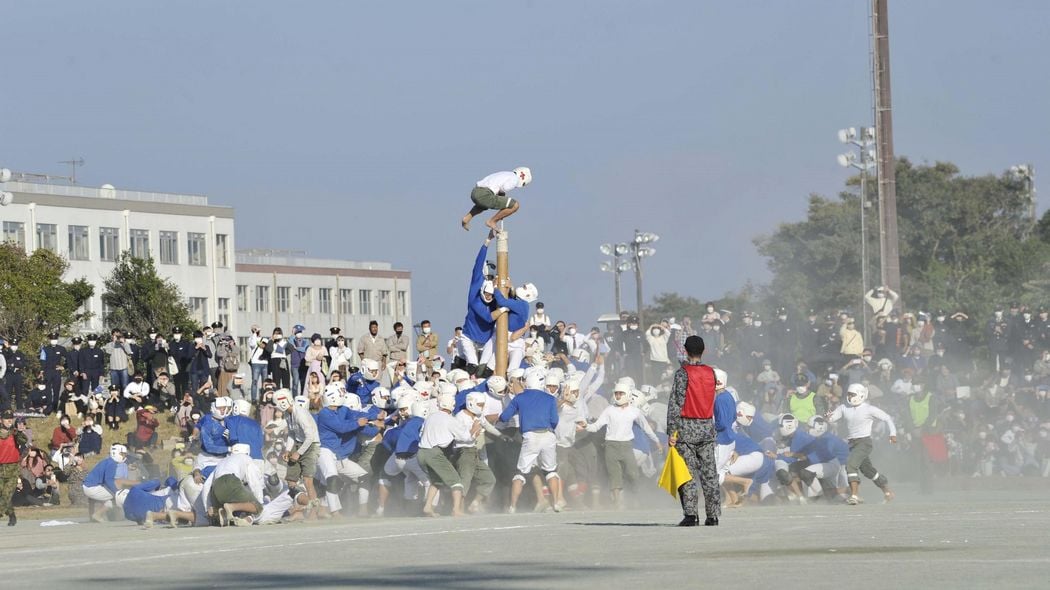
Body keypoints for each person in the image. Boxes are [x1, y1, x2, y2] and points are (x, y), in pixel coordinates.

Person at [666, 335, 721, 527]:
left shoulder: (683, 373)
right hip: (706, 426)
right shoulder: (711, 373)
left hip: (687, 428)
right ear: (703, 351)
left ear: (685, 351)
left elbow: (676, 403)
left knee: (687, 473)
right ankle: (713, 516)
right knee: (710, 473)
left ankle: (691, 515)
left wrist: (671, 432)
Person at [581, 380, 660, 509]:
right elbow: (596, 426)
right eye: (616, 393)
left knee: (632, 474)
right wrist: (586, 426)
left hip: (627, 446)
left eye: (621, 393)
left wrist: (656, 441)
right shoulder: (609, 410)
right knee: (614, 475)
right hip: (611, 446)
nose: (618, 396)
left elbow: (646, 427)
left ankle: (635, 497)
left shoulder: (635, 411)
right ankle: (618, 502)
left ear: (627, 394)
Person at [498, 367, 564, 513]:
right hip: (548, 435)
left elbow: (504, 417)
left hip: (530, 436)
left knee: (520, 473)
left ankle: (512, 506)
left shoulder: (519, 398)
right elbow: (554, 421)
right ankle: (556, 503)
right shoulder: (550, 399)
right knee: (551, 471)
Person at [826, 382, 898, 505]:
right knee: (868, 471)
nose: (849, 397)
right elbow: (832, 418)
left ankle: (855, 495)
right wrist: (827, 416)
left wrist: (893, 433)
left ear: (860, 395)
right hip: (852, 444)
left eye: (852, 394)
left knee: (850, 465)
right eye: (848, 394)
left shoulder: (869, 409)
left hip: (864, 442)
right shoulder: (844, 408)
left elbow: (887, 418)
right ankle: (888, 492)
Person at [418, 393, 482, 516]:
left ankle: (427, 507)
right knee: (456, 481)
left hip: (421, 452)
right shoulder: (450, 420)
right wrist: (474, 429)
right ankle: (456, 510)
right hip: (435, 453)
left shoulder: (430, 417)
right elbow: (466, 438)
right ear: (452, 405)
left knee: (436, 480)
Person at [201, 443, 265, 526]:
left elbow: (206, 485)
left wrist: (207, 507)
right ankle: (231, 507)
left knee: (224, 500)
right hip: (231, 481)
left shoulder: (222, 461)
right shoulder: (246, 458)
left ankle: (218, 511)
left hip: (216, 486)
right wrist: (259, 501)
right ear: (247, 452)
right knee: (257, 506)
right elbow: (254, 482)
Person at [461, 167, 532, 231]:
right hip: (485, 194)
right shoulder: (515, 179)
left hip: (476, 192)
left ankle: (466, 218)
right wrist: (503, 199)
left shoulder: (506, 173)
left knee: (484, 205)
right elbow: (505, 188)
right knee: (515, 205)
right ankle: (492, 221)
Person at [82, 443, 136, 522]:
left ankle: (98, 515)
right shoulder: (112, 463)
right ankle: (98, 514)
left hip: (89, 486)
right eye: (122, 454)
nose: (124, 456)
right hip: (92, 488)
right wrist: (117, 492)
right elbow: (108, 480)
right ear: (116, 453)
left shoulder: (108, 461)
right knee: (117, 497)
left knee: (114, 496)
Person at [1, 409, 28, 525]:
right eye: (7, 419)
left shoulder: (15, 433)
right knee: (2, 495)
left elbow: (24, 440)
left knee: (6, 494)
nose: (9, 421)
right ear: (1, 420)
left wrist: (17, 433)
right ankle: (12, 514)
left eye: (11, 419)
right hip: (0, 469)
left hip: (12, 470)